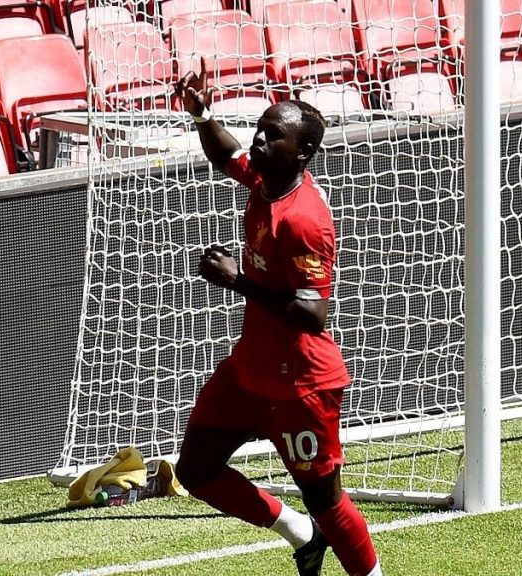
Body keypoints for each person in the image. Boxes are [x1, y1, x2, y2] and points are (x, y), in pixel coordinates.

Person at [173, 62, 384, 576]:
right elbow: (227, 153)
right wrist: (202, 114)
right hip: (250, 371)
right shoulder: (265, 179)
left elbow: (313, 314)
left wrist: (238, 282)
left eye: (273, 136)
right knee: (196, 471)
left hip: (302, 386)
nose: (259, 141)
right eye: (261, 130)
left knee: (326, 500)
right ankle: (299, 534)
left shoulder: (304, 220)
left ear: (304, 153)